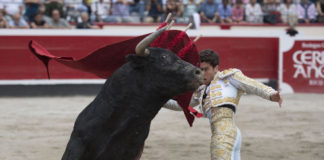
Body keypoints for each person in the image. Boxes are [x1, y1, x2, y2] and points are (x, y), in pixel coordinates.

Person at [163, 49, 282, 160]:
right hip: (224, 133)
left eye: (206, 69)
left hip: (225, 135)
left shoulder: (227, 78)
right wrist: (159, 100)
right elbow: (181, 105)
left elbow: (252, 85)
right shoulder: (201, 90)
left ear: (216, 68)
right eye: (200, 70)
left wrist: (271, 94)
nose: (202, 74)